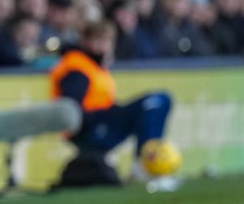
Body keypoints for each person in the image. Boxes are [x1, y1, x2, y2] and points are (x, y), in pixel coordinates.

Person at [49, 19, 174, 184]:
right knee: (155, 102)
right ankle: (147, 166)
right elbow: (72, 109)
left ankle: (147, 164)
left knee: (157, 102)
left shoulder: (94, 66)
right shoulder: (77, 68)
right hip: (89, 129)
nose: (104, 46)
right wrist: (108, 114)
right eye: (99, 40)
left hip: (99, 122)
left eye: (108, 41)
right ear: (86, 41)